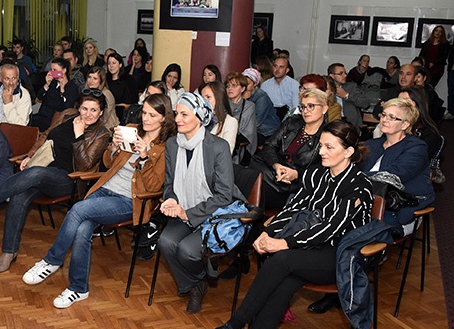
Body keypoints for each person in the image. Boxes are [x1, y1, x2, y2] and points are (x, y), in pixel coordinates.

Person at [21, 94, 175, 308]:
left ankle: (52, 260)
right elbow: (108, 163)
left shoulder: (166, 147)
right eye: (144, 112)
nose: (146, 118)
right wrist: (113, 147)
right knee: (83, 228)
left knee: (78, 209)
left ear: (164, 118)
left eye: (152, 115)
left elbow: (154, 186)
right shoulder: (132, 129)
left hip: (130, 200)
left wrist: (146, 156)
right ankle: (78, 288)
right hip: (106, 189)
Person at [216, 120, 373, 329]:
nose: (321, 152)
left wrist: (285, 243)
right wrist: (267, 232)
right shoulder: (317, 174)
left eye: (329, 147)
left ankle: (234, 324)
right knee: (283, 282)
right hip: (310, 246)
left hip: (342, 254)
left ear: (348, 152)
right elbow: (294, 208)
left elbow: (331, 228)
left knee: (282, 261)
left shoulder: (359, 186)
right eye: (321, 145)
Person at [0, 90, 110, 273]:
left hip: (69, 180)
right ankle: (8, 252)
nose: (88, 114)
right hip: (44, 170)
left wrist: (79, 136)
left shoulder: (101, 134)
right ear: (78, 107)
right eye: (84, 108)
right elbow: (45, 136)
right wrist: (30, 155)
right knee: (19, 194)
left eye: (93, 110)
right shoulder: (67, 116)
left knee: (36, 173)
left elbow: (84, 166)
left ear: (101, 112)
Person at [158, 92, 245, 314]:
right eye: (177, 113)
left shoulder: (218, 147)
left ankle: (193, 284)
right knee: (165, 243)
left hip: (215, 212)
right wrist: (171, 199)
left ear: (199, 117)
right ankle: (196, 284)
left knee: (187, 251)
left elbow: (224, 195)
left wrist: (188, 214)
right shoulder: (172, 144)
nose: (177, 119)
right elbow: (169, 184)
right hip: (184, 208)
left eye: (184, 114)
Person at [360, 98, 434, 234]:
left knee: (351, 229)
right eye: (384, 115)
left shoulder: (416, 147)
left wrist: (355, 180)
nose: (384, 120)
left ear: (405, 124)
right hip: (366, 203)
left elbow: (392, 176)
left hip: (397, 209)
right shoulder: (372, 144)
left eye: (392, 117)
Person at [251, 88, 328, 210]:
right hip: (272, 172)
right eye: (303, 107)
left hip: (295, 184)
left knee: (249, 183)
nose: (306, 111)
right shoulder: (292, 122)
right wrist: (276, 166)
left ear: (324, 108)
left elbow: (323, 173)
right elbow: (269, 146)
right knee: (244, 172)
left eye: (311, 106)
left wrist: (296, 174)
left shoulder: (328, 135)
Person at [32, 58, 79, 131]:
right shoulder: (53, 83)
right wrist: (47, 85)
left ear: (64, 70)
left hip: (53, 119)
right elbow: (39, 97)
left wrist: (62, 91)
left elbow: (67, 107)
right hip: (42, 114)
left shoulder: (72, 87)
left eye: (55, 70)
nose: (52, 72)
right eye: (51, 70)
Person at [225, 72, 257, 164]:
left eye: (234, 86)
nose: (230, 89)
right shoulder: (223, 104)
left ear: (243, 88)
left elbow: (247, 133)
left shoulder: (249, 106)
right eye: (228, 86)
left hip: (239, 145)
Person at [242, 68, 280, 145]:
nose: (245, 86)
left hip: (266, 130)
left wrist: (244, 101)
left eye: (248, 84)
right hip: (249, 128)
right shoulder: (241, 93)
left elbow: (257, 121)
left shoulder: (261, 97)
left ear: (255, 84)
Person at [328, 62, 371, 128]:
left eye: (345, 73)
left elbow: (366, 103)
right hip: (330, 122)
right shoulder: (326, 88)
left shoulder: (351, 87)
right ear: (332, 76)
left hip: (350, 124)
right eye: (340, 73)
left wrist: (346, 95)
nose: (345, 75)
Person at [200, 81, 238, 154]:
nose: (204, 101)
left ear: (219, 98)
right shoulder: (200, 118)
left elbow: (227, 152)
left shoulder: (230, 121)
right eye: (202, 97)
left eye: (208, 97)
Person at [106, 53, 137, 118]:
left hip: (123, 115)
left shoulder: (128, 80)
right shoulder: (105, 79)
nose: (111, 66)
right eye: (109, 63)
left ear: (120, 64)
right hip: (107, 114)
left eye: (114, 63)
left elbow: (132, 102)